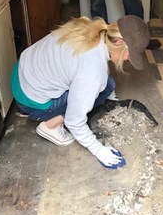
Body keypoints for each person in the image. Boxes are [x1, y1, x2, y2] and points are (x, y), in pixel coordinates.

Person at [11, 15, 150, 169]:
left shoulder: (93, 29)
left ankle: (64, 107)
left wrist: (107, 92)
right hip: (30, 101)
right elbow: (74, 121)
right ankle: (51, 126)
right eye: (129, 54)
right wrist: (99, 150)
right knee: (102, 88)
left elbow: (88, 66)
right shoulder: (93, 74)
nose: (128, 59)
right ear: (119, 42)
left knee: (107, 85)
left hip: (21, 73)